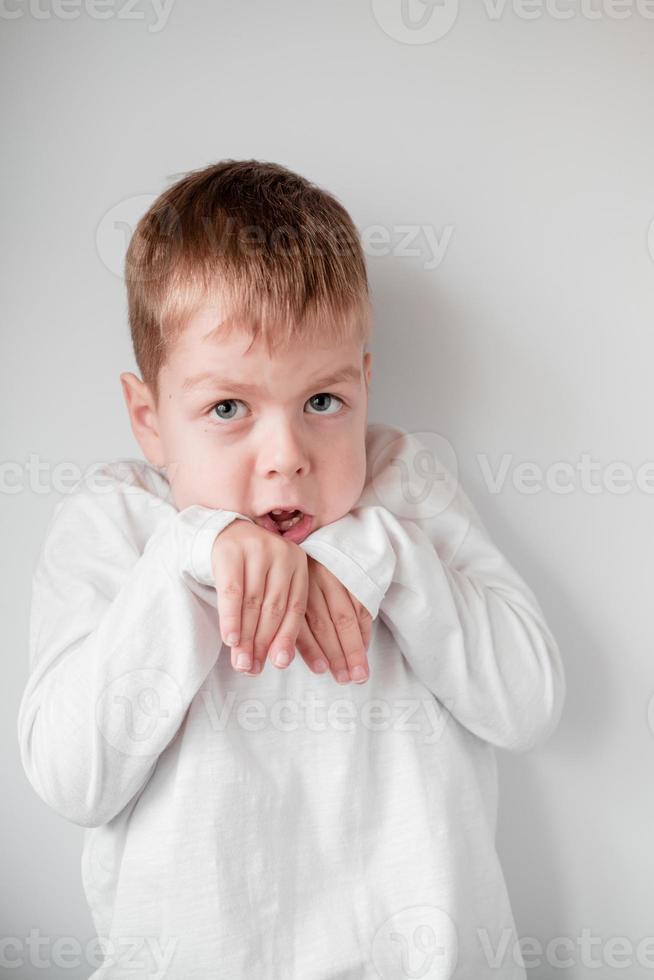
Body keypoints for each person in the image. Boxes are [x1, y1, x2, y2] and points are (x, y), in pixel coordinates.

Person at [17, 159, 565, 979]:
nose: (286, 461)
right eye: (228, 409)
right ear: (149, 419)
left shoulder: (402, 494)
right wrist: (188, 558)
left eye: (321, 403)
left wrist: (380, 555)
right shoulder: (119, 529)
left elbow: (529, 705)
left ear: (364, 389)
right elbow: (70, 780)